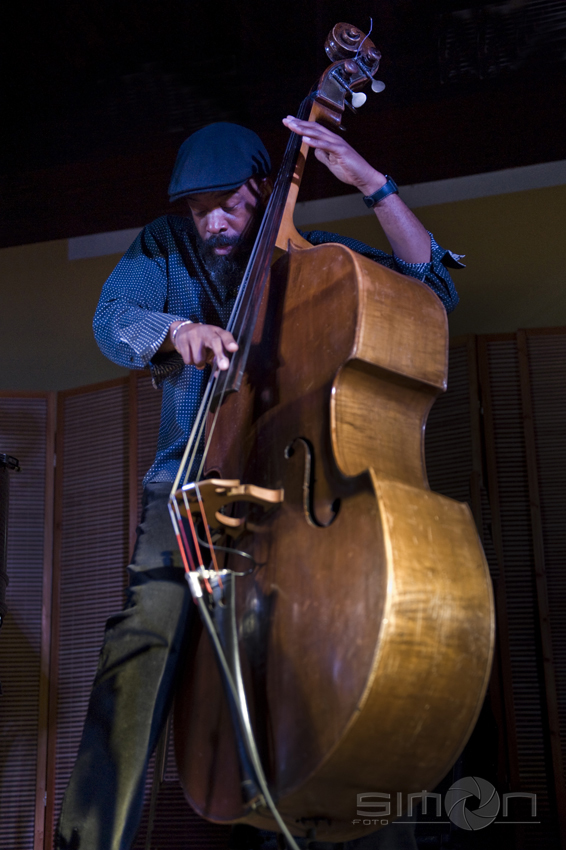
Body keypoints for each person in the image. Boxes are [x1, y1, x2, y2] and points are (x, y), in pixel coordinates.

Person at [56, 118, 462, 850]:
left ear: (264, 189)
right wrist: (174, 331)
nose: (212, 222)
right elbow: (112, 318)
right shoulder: (164, 246)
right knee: (141, 643)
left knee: (337, 654)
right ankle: (89, 842)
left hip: (296, 493)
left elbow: (432, 286)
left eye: (229, 205)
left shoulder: (314, 259)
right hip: (190, 488)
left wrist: (373, 184)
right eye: (198, 208)